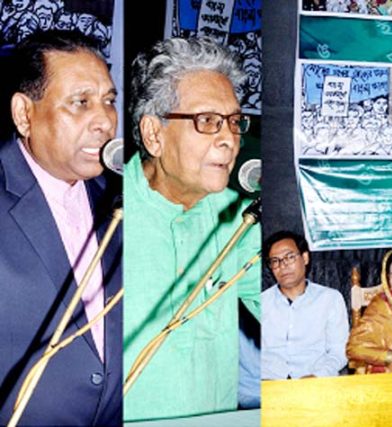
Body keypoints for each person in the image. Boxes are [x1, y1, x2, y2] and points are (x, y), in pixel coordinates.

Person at [123, 38, 260, 421]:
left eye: (234, 122)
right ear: (154, 134)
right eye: (208, 122)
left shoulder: (240, 219)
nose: (230, 140)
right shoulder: (104, 213)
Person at [0, 30, 121, 426]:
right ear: (24, 114)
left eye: (108, 101)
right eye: (80, 102)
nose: (104, 121)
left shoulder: (123, 200)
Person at [261, 230, 348, 379]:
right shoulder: (261, 302)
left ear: (305, 258)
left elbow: (339, 352)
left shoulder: (330, 299)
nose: (283, 265)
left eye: (289, 257)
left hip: (316, 383)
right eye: (275, 261)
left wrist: (318, 376)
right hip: (269, 383)